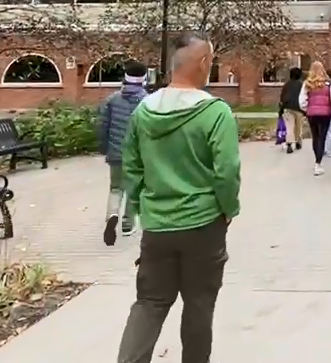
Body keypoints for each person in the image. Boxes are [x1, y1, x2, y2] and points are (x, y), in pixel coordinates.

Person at [115, 32, 241, 363]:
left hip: (158, 226)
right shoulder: (216, 113)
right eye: (211, 62)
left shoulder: (143, 112)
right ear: (203, 63)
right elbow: (226, 171)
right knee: (199, 304)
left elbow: (131, 168)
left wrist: (145, 206)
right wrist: (228, 209)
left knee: (150, 302)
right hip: (204, 224)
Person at [98, 59, 149, 246]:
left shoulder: (112, 99)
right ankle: (128, 224)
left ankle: (112, 215)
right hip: (138, 154)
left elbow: (103, 126)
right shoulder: (147, 101)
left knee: (115, 188)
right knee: (134, 188)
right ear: (143, 79)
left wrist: (104, 147)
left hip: (116, 152)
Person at [298, 61, 331, 176]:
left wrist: (307, 109)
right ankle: (318, 163)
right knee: (322, 137)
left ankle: (317, 161)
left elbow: (302, 100)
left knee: (315, 137)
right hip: (325, 114)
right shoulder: (329, 83)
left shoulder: (307, 84)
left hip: (312, 114)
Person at [278, 67, 305, 155]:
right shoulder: (302, 85)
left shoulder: (286, 85)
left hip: (288, 108)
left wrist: (281, 109)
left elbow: (282, 97)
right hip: (299, 108)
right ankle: (298, 142)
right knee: (298, 127)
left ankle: (290, 143)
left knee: (289, 127)